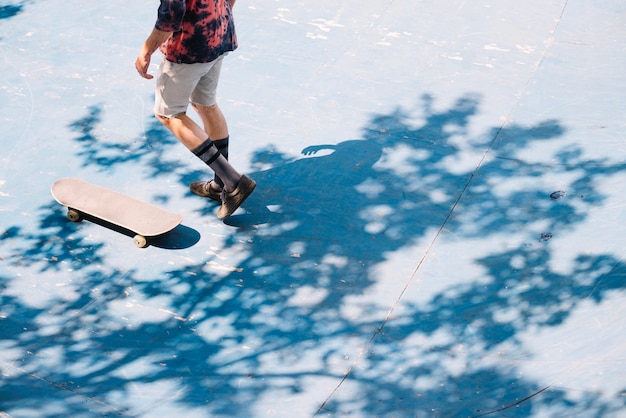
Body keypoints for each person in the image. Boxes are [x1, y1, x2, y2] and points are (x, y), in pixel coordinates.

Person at [135, 0, 255, 219]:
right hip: (220, 32)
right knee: (204, 103)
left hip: (189, 46)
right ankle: (220, 185)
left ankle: (233, 182)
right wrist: (220, 14)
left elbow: (172, 13)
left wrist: (146, 49)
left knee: (168, 114)